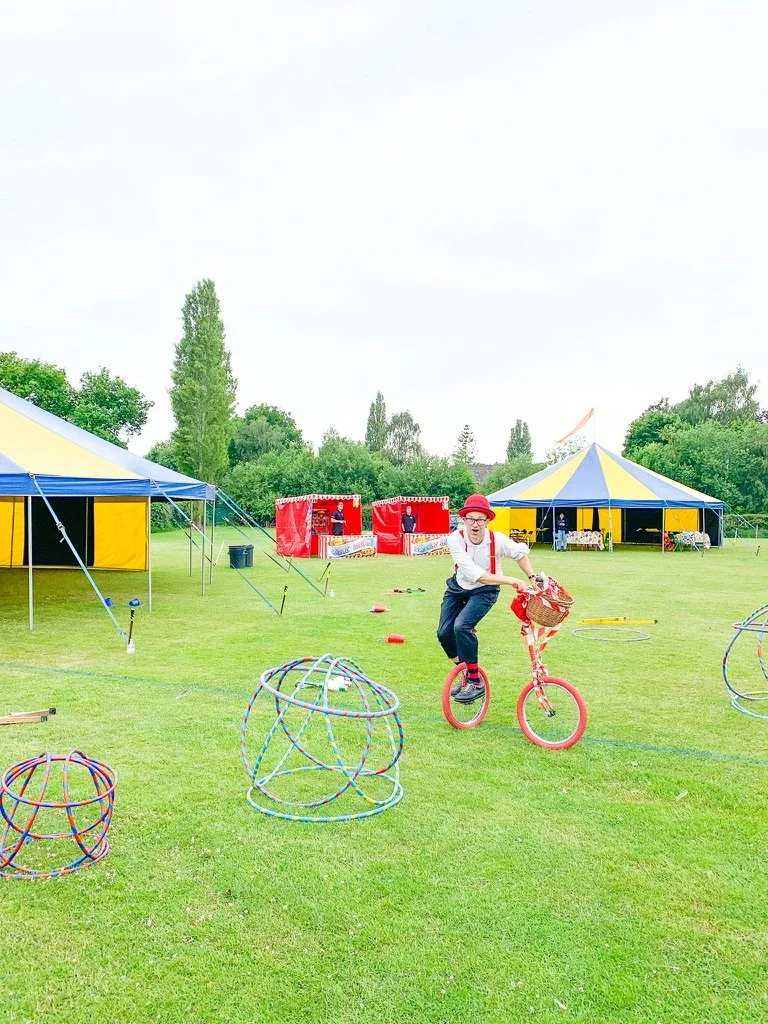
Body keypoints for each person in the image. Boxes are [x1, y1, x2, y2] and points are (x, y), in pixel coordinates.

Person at [437, 493, 541, 704]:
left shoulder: (497, 540)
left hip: (485, 591)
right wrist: (512, 580)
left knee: (462, 626)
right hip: (459, 587)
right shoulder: (455, 539)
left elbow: (519, 553)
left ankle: (475, 681)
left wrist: (532, 577)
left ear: (487, 521)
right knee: (444, 633)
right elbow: (475, 573)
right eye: (471, 519)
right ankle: (465, 674)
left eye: (480, 519)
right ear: (464, 520)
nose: (475, 525)